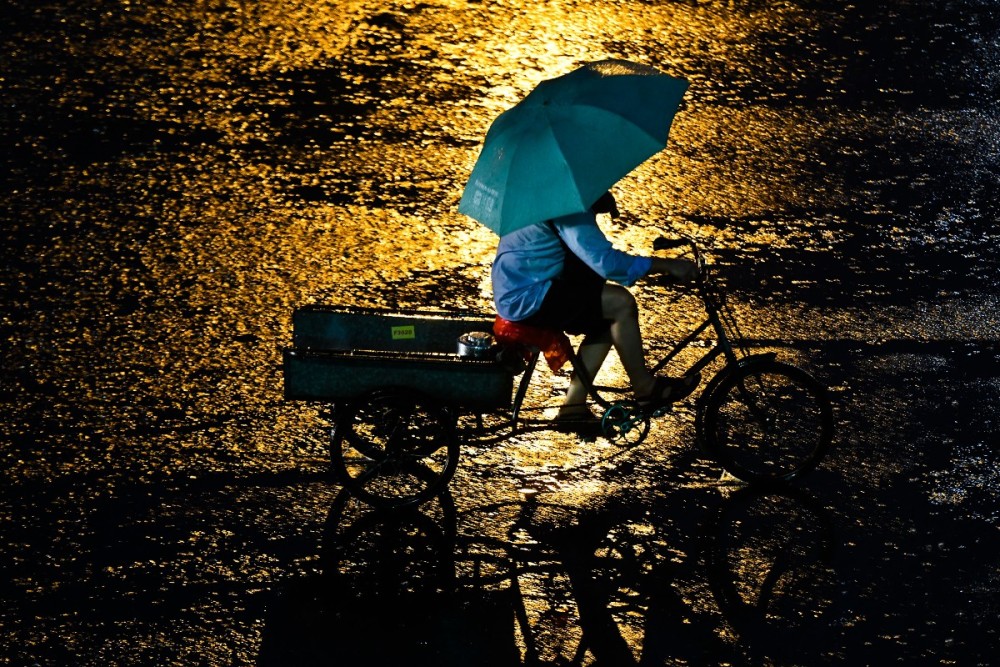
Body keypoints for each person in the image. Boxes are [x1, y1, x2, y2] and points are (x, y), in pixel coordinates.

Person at [491, 191, 700, 430]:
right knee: (621, 303)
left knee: (606, 320)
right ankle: (645, 387)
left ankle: (574, 406)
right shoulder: (565, 205)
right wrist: (666, 265)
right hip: (530, 296)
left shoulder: (541, 197)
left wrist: (592, 206)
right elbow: (607, 263)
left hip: (521, 288)